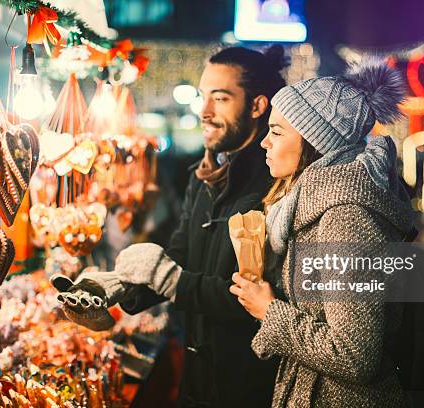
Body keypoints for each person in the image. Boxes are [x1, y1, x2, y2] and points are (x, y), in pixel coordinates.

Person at [55, 46, 289, 408]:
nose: (204, 111)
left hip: (245, 385)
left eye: (221, 98)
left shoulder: (275, 184)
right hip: (196, 377)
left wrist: (173, 282)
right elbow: (180, 253)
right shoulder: (203, 175)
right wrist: (121, 286)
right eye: (202, 96)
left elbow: (259, 298)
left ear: (258, 106)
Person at [229, 58, 414, 407]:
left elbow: (356, 355)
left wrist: (269, 311)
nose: (264, 143)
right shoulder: (303, 207)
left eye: (277, 132)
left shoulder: (346, 218)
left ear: (315, 143)